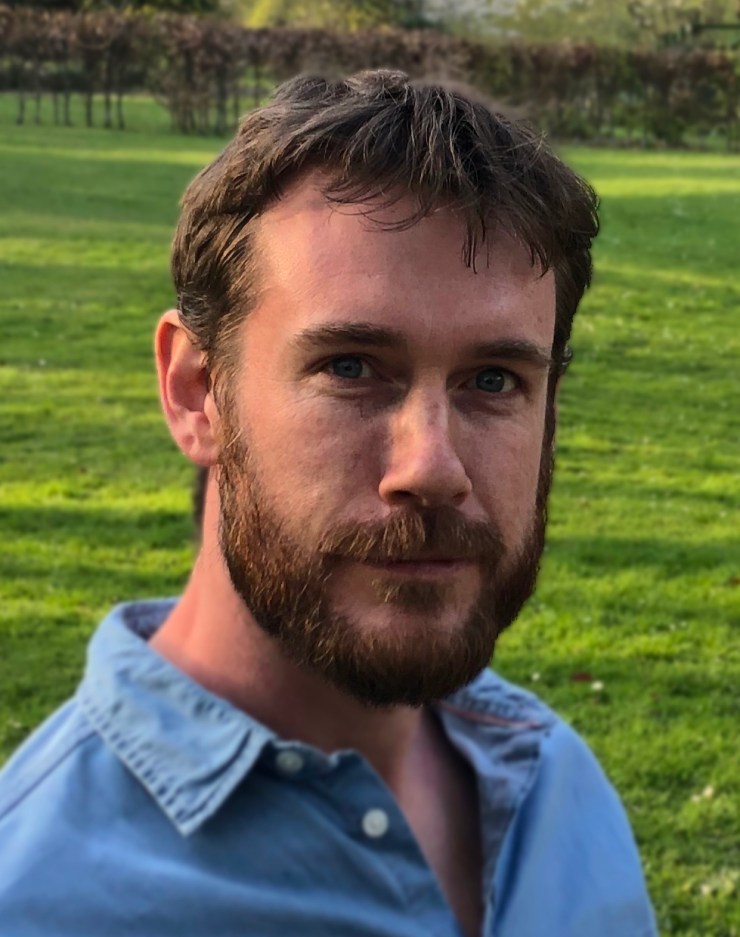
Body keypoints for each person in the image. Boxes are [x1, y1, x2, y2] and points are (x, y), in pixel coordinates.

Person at [0, 70, 658, 936]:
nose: (432, 467)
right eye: (349, 367)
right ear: (197, 391)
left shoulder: (557, 787)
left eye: (495, 380)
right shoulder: (41, 899)